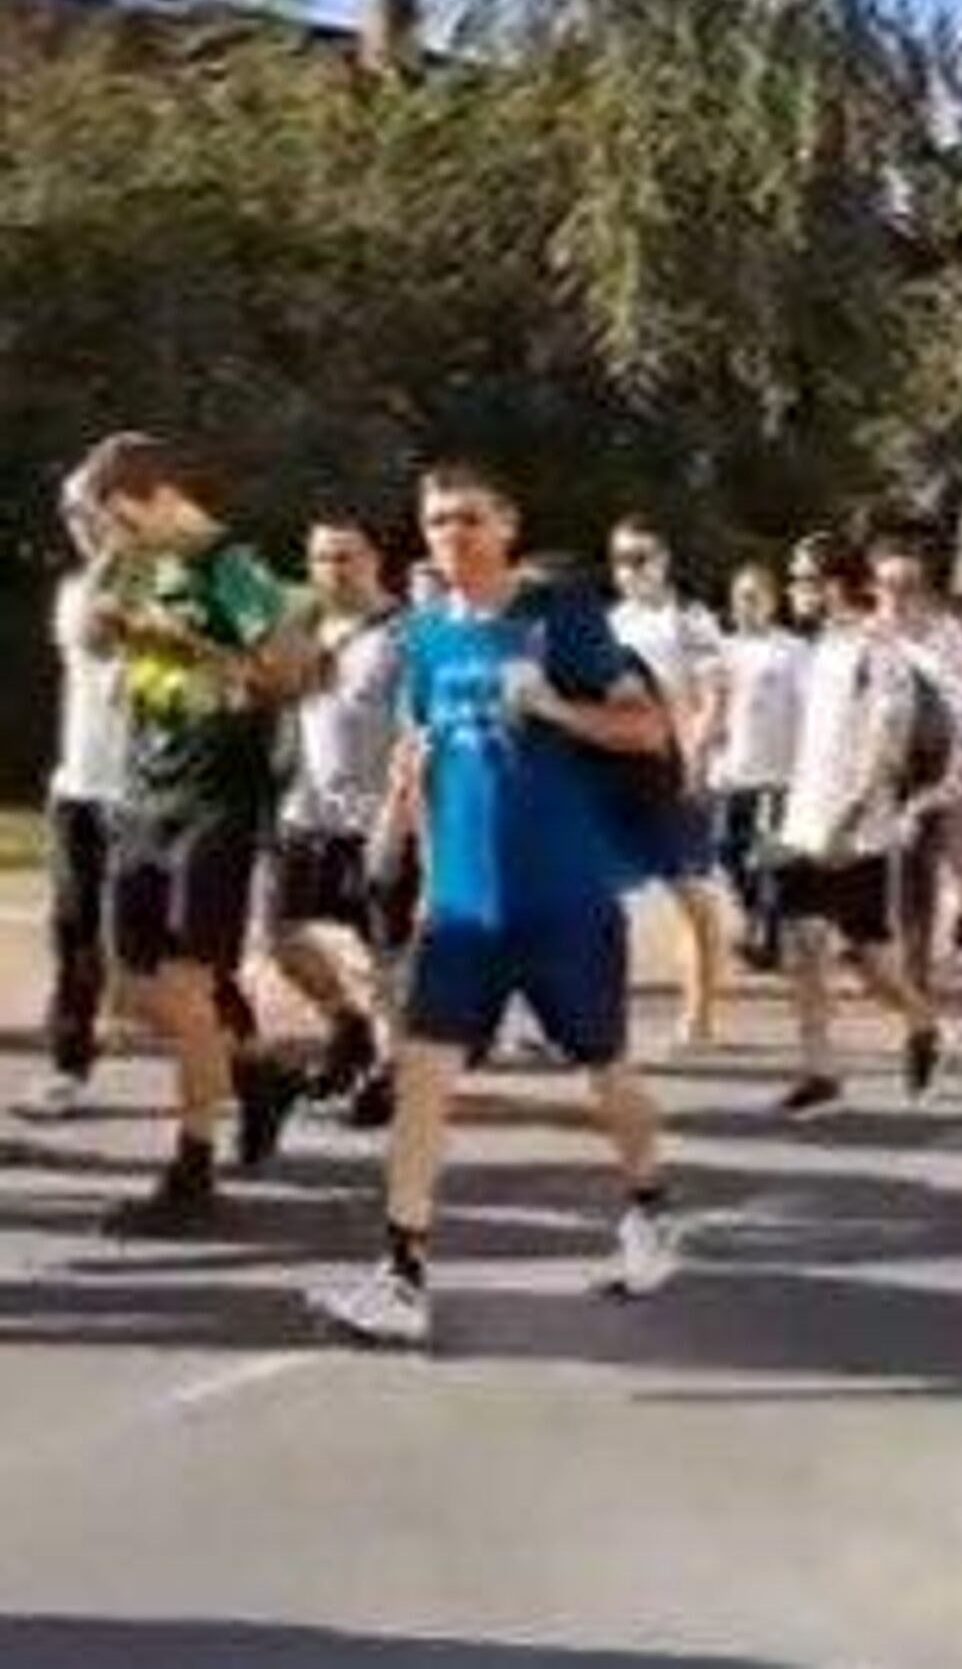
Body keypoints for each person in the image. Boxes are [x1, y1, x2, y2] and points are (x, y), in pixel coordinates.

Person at [310, 464, 678, 1347]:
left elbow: (646, 730)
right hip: (468, 906)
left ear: (507, 524)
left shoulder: (562, 618)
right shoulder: (428, 637)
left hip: (565, 896)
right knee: (422, 1078)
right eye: (437, 521)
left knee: (606, 1071)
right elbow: (427, 756)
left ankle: (649, 1205)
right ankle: (403, 1275)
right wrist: (422, 870)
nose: (452, 534)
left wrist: (552, 705)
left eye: (469, 518)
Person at [71, 432, 313, 1232]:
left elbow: (288, 673)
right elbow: (95, 640)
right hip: (146, 789)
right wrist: (110, 588)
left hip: (216, 796)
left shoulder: (231, 566)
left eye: (116, 519)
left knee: (185, 983)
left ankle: (192, 1166)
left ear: (157, 498)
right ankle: (256, 1070)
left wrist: (188, 643)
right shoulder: (140, 562)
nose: (110, 536)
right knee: (132, 984)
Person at [770, 534, 944, 1118]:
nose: (793, 590)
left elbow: (885, 747)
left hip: (855, 829)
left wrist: (847, 818)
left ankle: (921, 1021)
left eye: (801, 579)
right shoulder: (821, 647)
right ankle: (819, 1068)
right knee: (801, 942)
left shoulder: (878, 651)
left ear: (834, 585)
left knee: (870, 964)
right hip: (805, 820)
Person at [265, 515, 410, 1119]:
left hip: (374, 821)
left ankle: (389, 1073)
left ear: (375, 559)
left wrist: (397, 822)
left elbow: (416, 736)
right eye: (321, 558)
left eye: (345, 556)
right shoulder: (306, 627)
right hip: (305, 815)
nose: (332, 570)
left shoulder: (405, 635)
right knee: (283, 940)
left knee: (381, 958)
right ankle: (346, 1029)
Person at [17, 471, 132, 1121]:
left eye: (91, 510)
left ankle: (245, 1059)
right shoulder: (75, 591)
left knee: (164, 954)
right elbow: (93, 630)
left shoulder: (183, 591)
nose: (79, 524)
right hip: (80, 788)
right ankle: (69, 1063)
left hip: (149, 795)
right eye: (71, 512)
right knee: (74, 931)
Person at [606, 520, 728, 1050]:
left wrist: (695, 761)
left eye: (641, 558)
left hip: (672, 770)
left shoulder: (688, 620)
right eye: (621, 559)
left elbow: (715, 696)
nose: (630, 570)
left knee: (689, 894)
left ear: (664, 559)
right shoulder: (611, 622)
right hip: (615, 774)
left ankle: (699, 1013)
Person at [870, 535, 962, 993]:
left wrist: (958, 767)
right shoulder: (863, 634)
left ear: (923, 588)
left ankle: (915, 969)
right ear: (874, 588)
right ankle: (884, 955)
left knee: (916, 862)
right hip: (873, 765)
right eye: (888, 585)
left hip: (929, 762)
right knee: (877, 868)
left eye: (908, 585)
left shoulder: (946, 634)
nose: (897, 595)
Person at [711, 563, 808, 972]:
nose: (745, 605)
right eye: (739, 597)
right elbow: (711, 709)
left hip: (780, 772)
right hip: (732, 771)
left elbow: (810, 710)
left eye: (754, 597)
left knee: (769, 857)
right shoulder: (723, 649)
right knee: (725, 849)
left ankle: (766, 938)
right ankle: (756, 913)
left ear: (773, 601)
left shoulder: (793, 651)